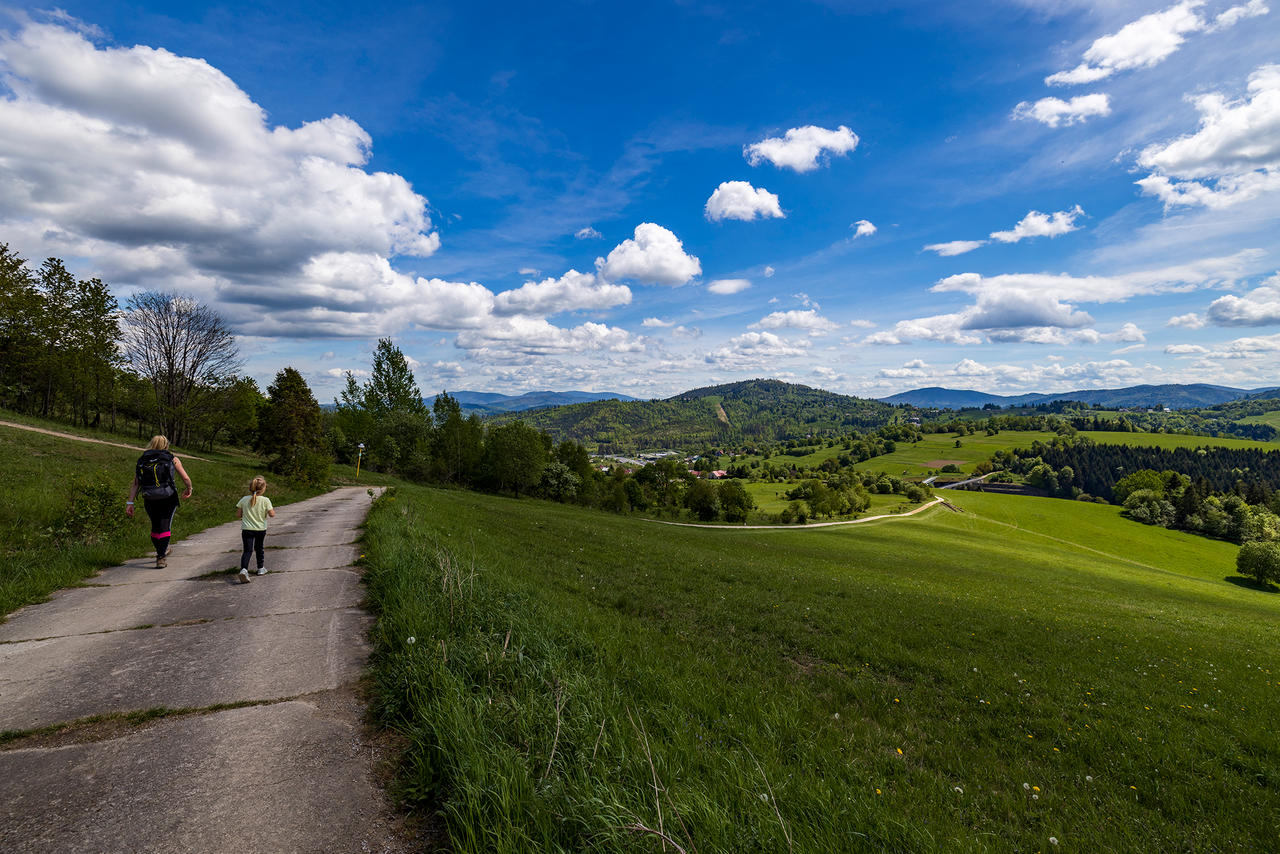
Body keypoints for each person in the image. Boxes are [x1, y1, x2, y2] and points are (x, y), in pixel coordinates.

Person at [126, 435, 193, 568]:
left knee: (155, 526)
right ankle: (161, 556)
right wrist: (189, 488)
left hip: (149, 497)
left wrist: (130, 503)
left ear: (151, 444)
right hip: (168, 497)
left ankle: (161, 551)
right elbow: (185, 478)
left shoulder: (143, 460)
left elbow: (136, 483)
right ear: (166, 445)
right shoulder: (172, 458)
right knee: (165, 526)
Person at [234, 476, 275, 584]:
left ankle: (244, 570)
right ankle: (260, 568)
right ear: (263, 488)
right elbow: (272, 514)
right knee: (259, 548)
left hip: (247, 529)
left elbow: (238, 515)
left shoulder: (244, 499)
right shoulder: (266, 500)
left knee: (247, 550)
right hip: (260, 529)